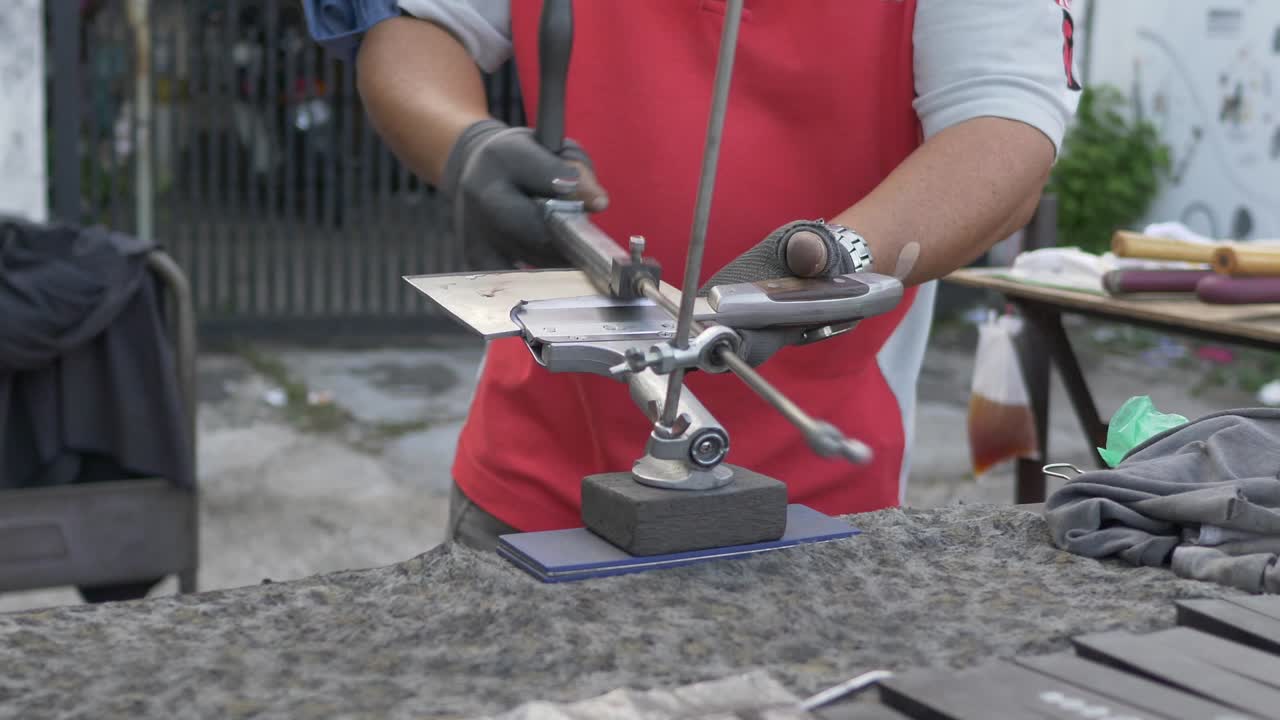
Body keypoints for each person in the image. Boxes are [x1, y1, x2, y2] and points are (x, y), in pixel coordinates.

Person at [304, 0, 1082, 549]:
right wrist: (465, 143)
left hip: (814, 511)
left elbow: (1004, 131)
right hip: (527, 483)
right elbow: (416, 24)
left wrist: (834, 255)